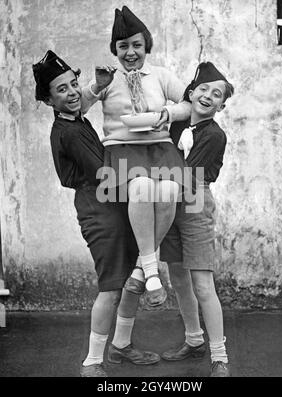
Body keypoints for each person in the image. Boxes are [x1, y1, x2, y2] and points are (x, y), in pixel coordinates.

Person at [32, 50, 160, 378]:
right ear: (48, 100)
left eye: (73, 84)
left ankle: (121, 346)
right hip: (99, 211)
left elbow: (104, 161)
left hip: (112, 205)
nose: (73, 92)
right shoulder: (68, 133)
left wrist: (96, 86)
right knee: (111, 286)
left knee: (133, 277)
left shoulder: (77, 121)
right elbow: (106, 172)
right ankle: (92, 362)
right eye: (62, 89)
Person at [81, 5, 191, 308]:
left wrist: (168, 112)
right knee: (141, 188)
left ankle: (143, 268)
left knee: (168, 190)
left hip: (160, 147)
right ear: (115, 49)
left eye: (136, 45)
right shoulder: (108, 78)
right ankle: (154, 272)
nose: (130, 52)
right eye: (123, 46)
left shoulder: (160, 75)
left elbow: (190, 104)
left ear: (146, 46)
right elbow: (77, 108)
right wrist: (95, 87)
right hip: (122, 150)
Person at [160, 61, 234, 377]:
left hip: (193, 200)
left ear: (222, 104)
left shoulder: (214, 135)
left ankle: (220, 357)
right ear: (192, 93)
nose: (208, 96)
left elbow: (188, 176)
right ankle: (194, 340)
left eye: (216, 94)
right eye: (203, 89)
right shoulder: (176, 125)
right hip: (168, 200)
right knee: (178, 277)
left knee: (202, 283)